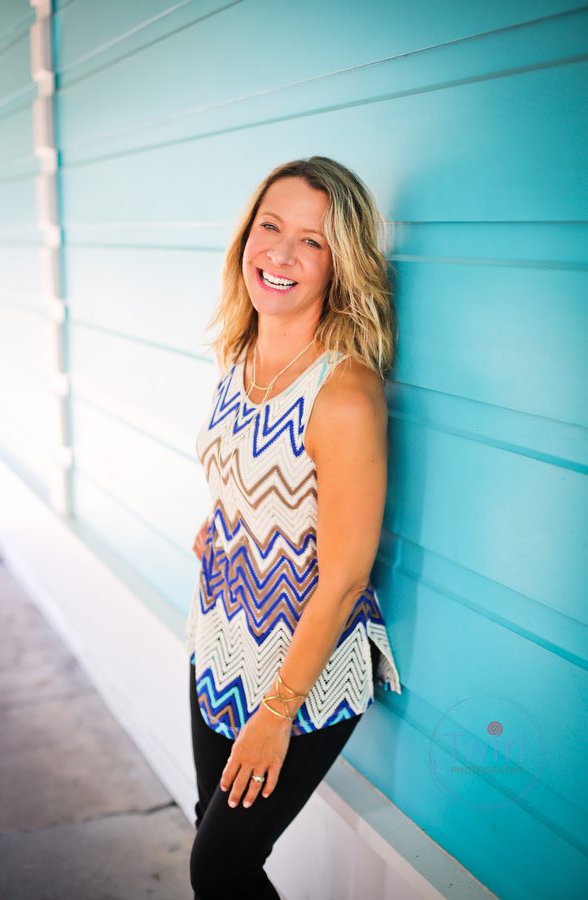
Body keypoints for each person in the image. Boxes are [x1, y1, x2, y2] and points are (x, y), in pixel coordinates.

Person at [184, 155, 402, 899]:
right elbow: (252, 476)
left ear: (340, 262)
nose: (279, 252)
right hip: (220, 628)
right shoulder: (242, 352)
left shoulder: (343, 392)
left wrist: (277, 713)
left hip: (301, 662)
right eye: (269, 226)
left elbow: (344, 578)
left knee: (218, 870)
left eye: (310, 240)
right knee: (209, 834)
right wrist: (221, 520)